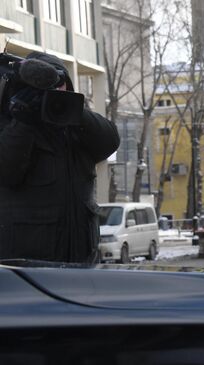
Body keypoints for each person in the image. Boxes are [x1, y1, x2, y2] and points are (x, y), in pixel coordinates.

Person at [0, 51, 120, 264]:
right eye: (44, 86)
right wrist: (24, 120)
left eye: (60, 82)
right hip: (28, 268)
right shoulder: (12, 125)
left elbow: (110, 141)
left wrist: (72, 108)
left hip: (81, 261)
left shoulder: (77, 129)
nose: (55, 90)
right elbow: (7, 171)